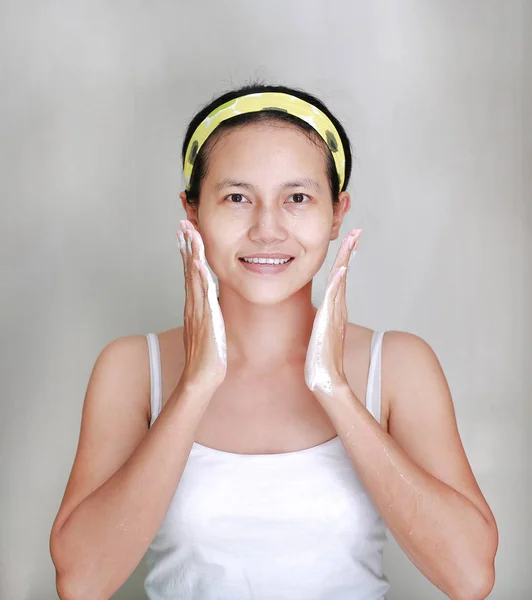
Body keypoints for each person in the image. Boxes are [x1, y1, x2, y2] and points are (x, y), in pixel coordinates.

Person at [50, 83, 498, 600]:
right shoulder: (132, 368)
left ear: (337, 213)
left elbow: (470, 577)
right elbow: (81, 582)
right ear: (192, 212)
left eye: (298, 198)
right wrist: (194, 387)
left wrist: (335, 390)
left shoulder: (397, 366)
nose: (267, 229)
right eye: (237, 198)